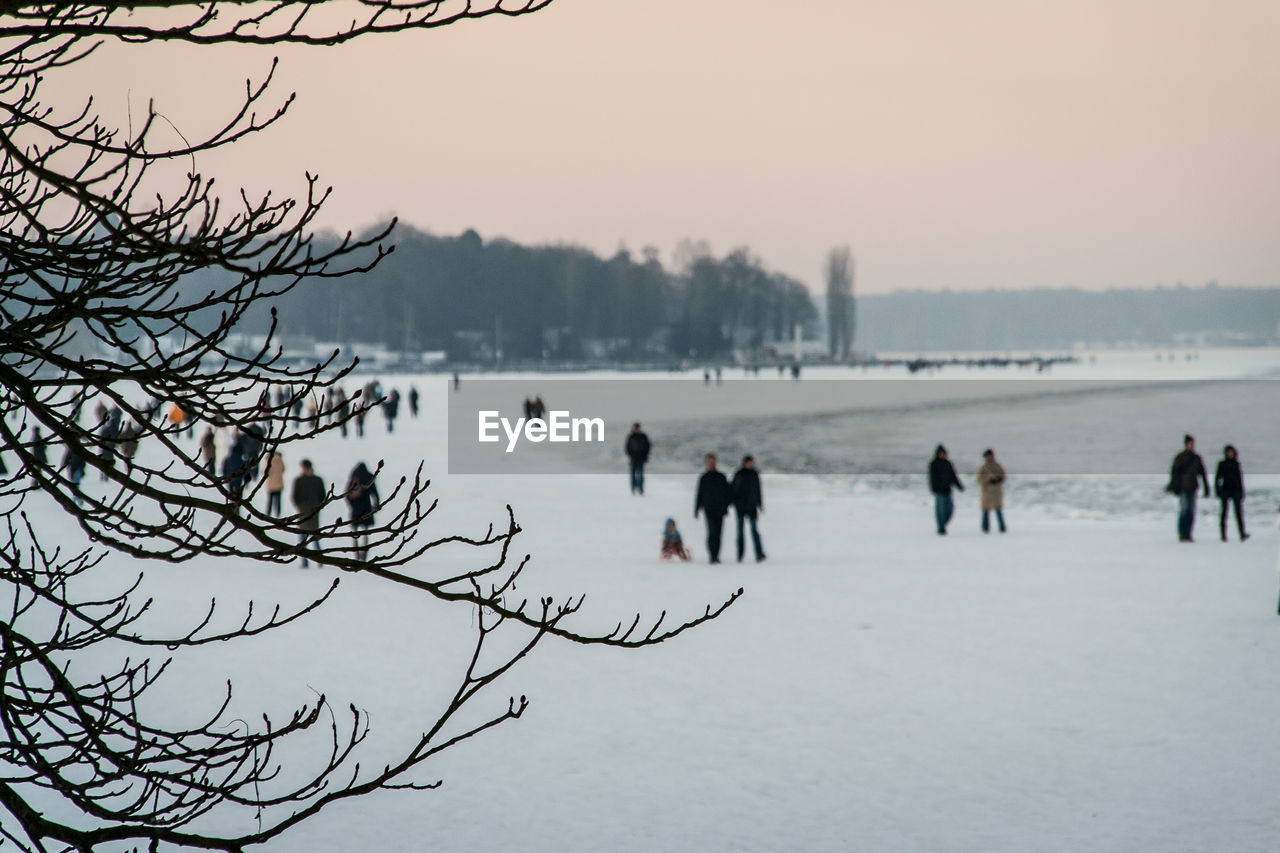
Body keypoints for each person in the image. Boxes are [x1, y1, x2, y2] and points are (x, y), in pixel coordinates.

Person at [1168, 434, 1209, 542]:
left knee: (1191, 512)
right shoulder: (1180, 457)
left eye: (1192, 444)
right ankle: (1182, 534)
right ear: (1186, 444)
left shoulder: (1196, 458)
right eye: (1190, 443)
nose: (1191, 445)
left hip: (1193, 488)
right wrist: (1174, 486)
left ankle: (1188, 534)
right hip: (1183, 488)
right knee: (1184, 511)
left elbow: (1203, 473)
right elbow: (1174, 473)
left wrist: (1206, 487)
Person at [694, 453, 731, 564]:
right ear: (706, 463)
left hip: (720, 509)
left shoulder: (721, 477)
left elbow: (728, 493)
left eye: (712, 462)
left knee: (718, 534)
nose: (710, 464)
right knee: (711, 532)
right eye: (709, 462)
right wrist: (696, 508)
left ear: (715, 462)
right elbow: (699, 494)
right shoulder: (704, 478)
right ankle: (712, 555)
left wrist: (726, 506)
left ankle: (716, 555)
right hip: (708, 509)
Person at [291, 458, 326, 567]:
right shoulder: (301, 480)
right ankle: (307, 561)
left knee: (313, 537)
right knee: (305, 538)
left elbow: (322, 495)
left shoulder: (315, 480)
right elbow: (295, 496)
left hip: (311, 511)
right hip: (305, 511)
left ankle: (318, 559)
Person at [731, 455, 765, 562]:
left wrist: (760, 504)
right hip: (740, 507)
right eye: (749, 463)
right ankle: (740, 554)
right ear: (744, 463)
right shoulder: (739, 474)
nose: (751, 465)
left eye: (752, 463)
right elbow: (733, 489)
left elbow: (758, 490)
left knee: (754, 530)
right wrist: (734, 502)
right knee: (740, 532)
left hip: (752, 507)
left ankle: (759, 554)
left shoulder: (755, 474)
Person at [1214, 445, 1249, 542]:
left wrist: (1242, 491)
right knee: (1224, 513)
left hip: (1236, 490)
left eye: (1231, 452)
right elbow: (1217, 478)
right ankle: (1223, 535)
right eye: (1228, 452)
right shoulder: (1222, 464)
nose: (1230, 454)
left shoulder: (1236, 464)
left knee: (1238, 513)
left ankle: (1242, 533)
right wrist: (1218, 491)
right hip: (1225, 490)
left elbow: (1240, 479)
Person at [346, 462, 380, 561]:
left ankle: (356, 552)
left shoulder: (354, 478)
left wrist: (351, 505)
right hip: (366, 508)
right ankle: (364, 553)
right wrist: (376, 505)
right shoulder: (368, 479)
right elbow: (375, 493)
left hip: (356, 509)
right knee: (365, 533)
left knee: (355, 533)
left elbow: (347, 494)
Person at [928, 444, 963, 535]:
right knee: (940, 511)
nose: (942, 455)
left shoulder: (948, 463)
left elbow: (953, 476)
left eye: (943, 453)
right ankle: (941, 528)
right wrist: (934, 488)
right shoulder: (934, 464)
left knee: (950, 510)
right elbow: (932, 478)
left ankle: (943, 525)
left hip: (948, 490)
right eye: (940, 453)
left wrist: (959, 486)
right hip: (939, 491)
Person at [976, 448, 1007, 534]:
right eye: (988, 456)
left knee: (998, 509)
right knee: (985, 510)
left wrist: (998, 479)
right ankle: (985, 527)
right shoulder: (983, 468)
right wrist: (988, 480)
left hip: (996, 491)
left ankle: (1002, 527)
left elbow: (1003, 476)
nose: (989, 457)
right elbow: (979, 479)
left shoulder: (997, 466)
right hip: (987, 492)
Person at [625, 422, 651, 495]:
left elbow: (647, 447)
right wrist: (630, 455)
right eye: (635, 427)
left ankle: (641, 489)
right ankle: (633, 488)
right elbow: (627, 447)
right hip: (633, 459)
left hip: (641, 459)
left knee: (640, 475)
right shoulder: (631, 436)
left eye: (637, 427)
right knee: (633, 475)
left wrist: (645, 456)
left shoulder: (643, 436)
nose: (636, 429)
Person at [264, 450, 285, 517]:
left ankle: (268, 513)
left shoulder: (268, 460)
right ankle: (278, 513)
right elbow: (284, 469)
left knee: (270, 500)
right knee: (278, 500)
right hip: (279, 483)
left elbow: (265, 472)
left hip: (271, 484)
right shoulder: (280, 459)